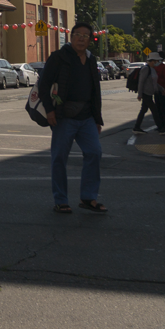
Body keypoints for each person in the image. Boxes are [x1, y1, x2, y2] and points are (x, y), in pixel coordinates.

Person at [36, 21, 106, 214]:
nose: (81, 39)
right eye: (78, 34)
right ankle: (61, 200)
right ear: (71, 36)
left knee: (94, 152)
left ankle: (88, 197)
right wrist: (50, 110)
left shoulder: (91, 59)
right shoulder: (58, 57)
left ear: (90, 40)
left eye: (86, 36)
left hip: (87, 118)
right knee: (59, 158)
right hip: (63, 117)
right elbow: (44, 85)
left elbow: (95, 91)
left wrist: (98, 118)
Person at [133, 53, 165, 135]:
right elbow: (141, 82)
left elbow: (154, 82)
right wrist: (140, 94)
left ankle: (136, 127)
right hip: (146, 93)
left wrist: (161, 89)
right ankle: (161, 128)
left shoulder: (152, 69)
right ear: (152, 61)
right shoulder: (146, 69)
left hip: (149, 93)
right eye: (157, 60)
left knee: (144, 110)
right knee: (154, 110)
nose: (158, 62)